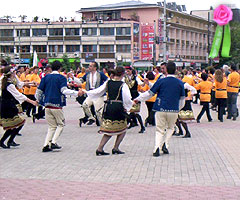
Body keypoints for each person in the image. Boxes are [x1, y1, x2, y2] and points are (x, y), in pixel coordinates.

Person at [134, 62, 185, 157]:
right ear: (176, 70)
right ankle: (165, 144)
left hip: (160, 108)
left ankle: (156, 147)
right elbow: (182, 99)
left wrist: (138, 99)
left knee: (159, 129)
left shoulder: (161, 81)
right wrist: (178, 109)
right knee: (170, 128)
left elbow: (150, 93)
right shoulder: (180, 83)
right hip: (173, 109)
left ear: (165, 69)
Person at [79, 66, 133, 155]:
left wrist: (86, 92)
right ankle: (113, 148)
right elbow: (127, 98)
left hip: (108, 106)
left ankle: (102, 148)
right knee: (123, 128)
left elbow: (98, 91)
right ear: (123, 74)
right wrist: (128, 107)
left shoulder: (108, 82)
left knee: (109, 128)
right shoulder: (123, 85)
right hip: (118, 107)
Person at [35, 61, 81, 152]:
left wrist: (38, 100)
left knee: (51, 126)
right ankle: (53, 142)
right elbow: (64, 90)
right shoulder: (61, 78)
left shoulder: (45, 77)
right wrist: (76, 93)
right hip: (57, 104)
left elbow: (39, 91)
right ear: (60, 68)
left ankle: (46, 144)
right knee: (60, 124)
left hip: (47, 104)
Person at [0, 66, 37, 149]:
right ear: (11, 74)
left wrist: (31, 83)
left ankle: (8, 141)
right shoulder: (9, 84)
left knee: (15, 124)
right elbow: (19, 95)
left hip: (9, 104)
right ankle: (4, 141)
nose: (15, 74)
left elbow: (20, 84)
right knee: (16, 124)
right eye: (14, 73)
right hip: (8, 105)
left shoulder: (7, 81)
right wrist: (32, 102)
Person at [72, 62, 108, 126]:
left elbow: (107, 80)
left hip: (98, 94)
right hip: (90, 93)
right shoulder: (87, 74)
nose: (89, 67)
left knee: (98, 112)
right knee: (84, 105)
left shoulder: (100, 74)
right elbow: (81, 81)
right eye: (89, 66)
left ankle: (102, 125)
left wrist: (104, 89)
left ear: (95, 67)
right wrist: (73, 78)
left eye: (91, 66)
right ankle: (91, 118)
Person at [124, 66, 145, 133]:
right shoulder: (125, 79)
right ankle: (132, 123)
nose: (127, 72)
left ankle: (142, 126)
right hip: (128, 96)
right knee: (129, 111)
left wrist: (145, 82)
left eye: (128, 71)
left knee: (136, 112)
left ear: (131, 71)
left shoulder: (136, 78)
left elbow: (141, 84)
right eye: (126, 71)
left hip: (135, 96)